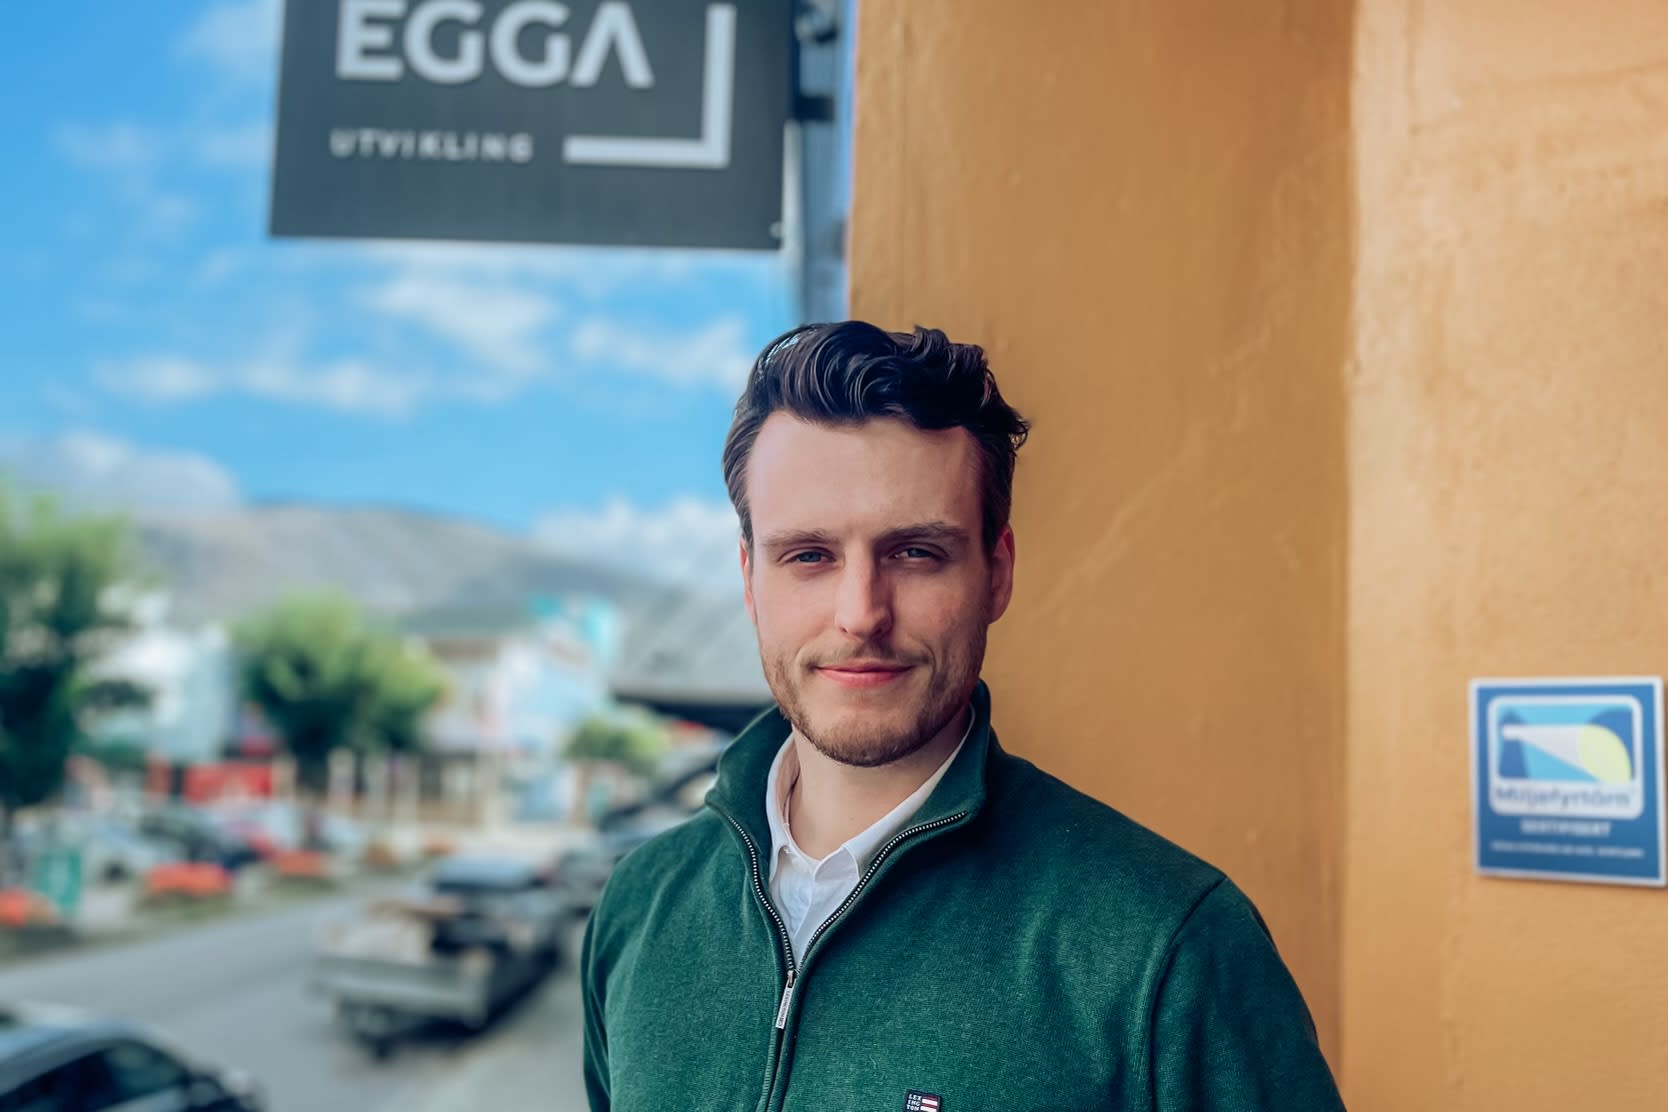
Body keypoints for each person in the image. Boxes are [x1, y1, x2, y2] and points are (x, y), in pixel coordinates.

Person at [581, 321, 1346, 1111]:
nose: (861, 613)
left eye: (916, 552)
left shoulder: (1170, 948)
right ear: (749, 579)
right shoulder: (640, 908)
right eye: (808, 555)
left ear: (997, 573)